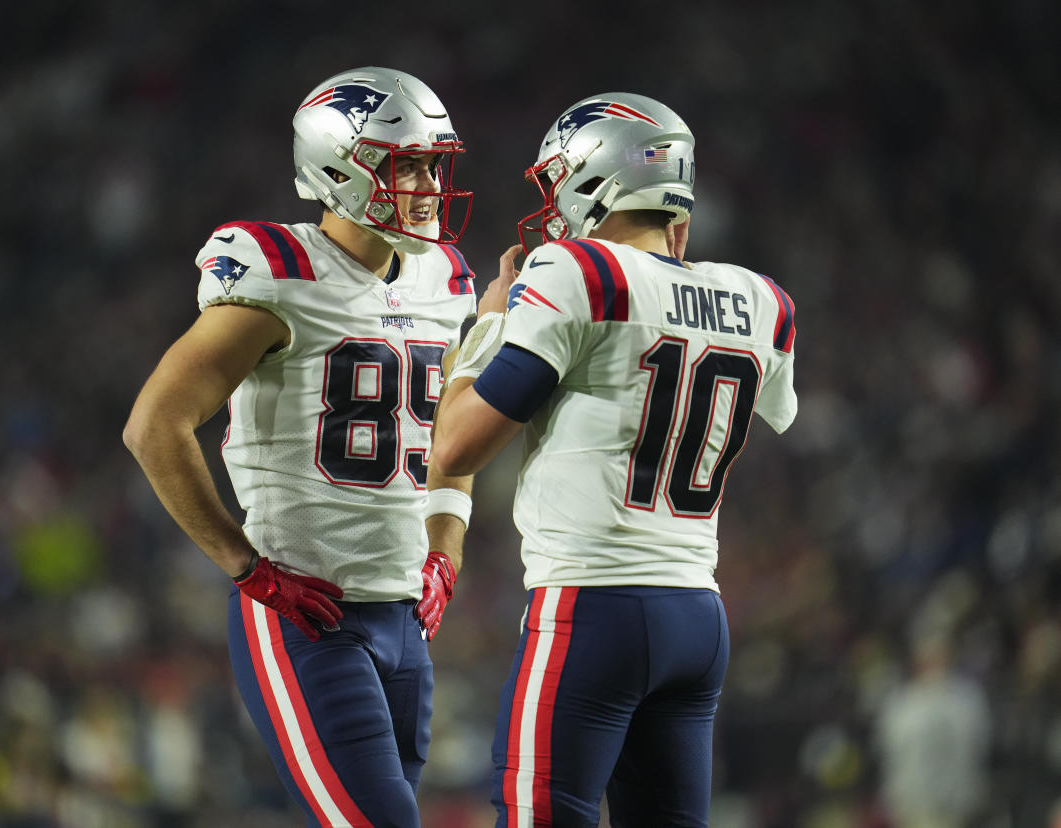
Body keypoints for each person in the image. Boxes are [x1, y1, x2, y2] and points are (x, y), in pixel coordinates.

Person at [429, 93, 799, 827]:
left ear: (590, 180)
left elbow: (454, 445)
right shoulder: (765, 301)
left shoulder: (578, 271)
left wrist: (491, 321)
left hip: (593, 607)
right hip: (698, 614)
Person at [123, 66, 480, 827]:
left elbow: (451, 438)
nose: (425, 183)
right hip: (307, 615)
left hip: (403, 619)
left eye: (429, 163)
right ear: (338, 168)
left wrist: (446, 545)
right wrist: (245, 568)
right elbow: (155, 425)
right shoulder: (279, 273)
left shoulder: (444, 278)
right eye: (404, 164)